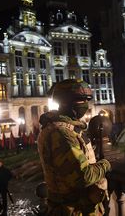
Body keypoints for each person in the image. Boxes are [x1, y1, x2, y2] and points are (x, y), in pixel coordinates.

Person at [38, 79, 111, 216]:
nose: (85, 105)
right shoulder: (61, 133)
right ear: (65, 102)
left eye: (86, 100)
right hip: (73, 210)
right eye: (80, 100)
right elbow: (84, 177)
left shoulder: (66, 128)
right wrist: (106, 164)